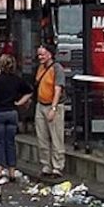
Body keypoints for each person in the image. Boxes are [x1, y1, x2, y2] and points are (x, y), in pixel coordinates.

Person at [0, 54, 31, 183]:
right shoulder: (17, 79)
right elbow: (29, 91)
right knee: (10, 142)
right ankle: (12, 171)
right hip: (12, 112)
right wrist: (19, 102)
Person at [34, 43, 66, 178]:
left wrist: (53, 107)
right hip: (41, 104)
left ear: (50, 55)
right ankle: (46, 165)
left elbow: (58, 89)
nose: (40, 57)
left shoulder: (57, 68)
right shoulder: (40, 68)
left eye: (42, 54)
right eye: (39, 54)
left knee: (56, 136)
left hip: (53, 105)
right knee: (42, 137)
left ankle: (57, 167)